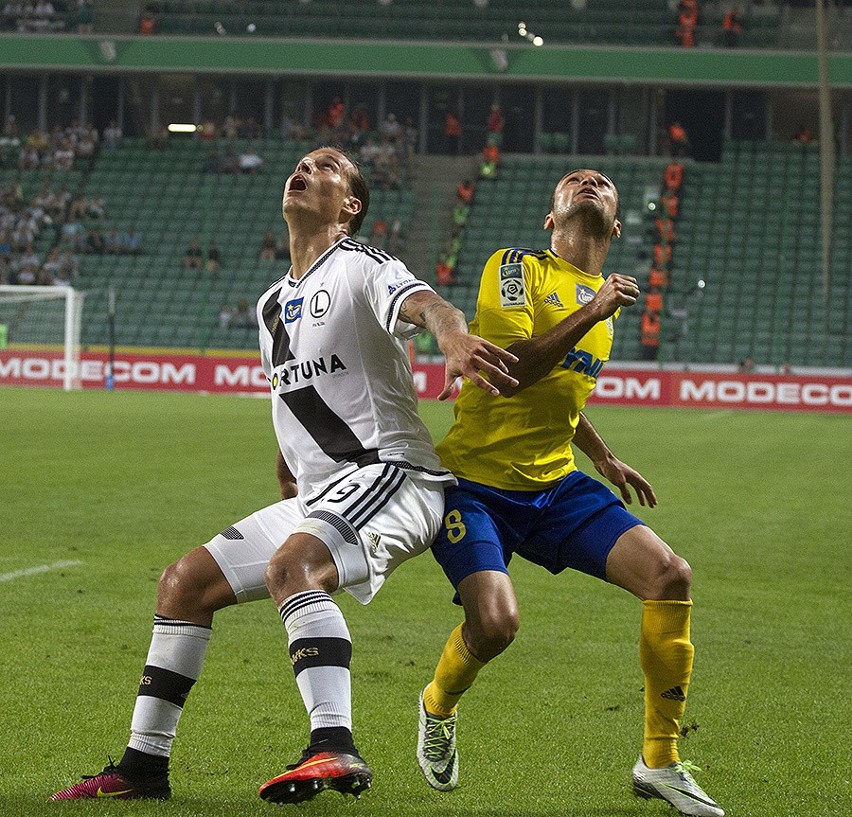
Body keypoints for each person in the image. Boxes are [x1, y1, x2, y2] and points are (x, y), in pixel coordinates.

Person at [51, 146, 518, 805]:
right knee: (183, 584)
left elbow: (426, 304)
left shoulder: (361, 265)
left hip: (394, 475)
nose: (304, 169)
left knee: (293, 568)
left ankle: (334, 745)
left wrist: (453, 335)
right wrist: (287, 468)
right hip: (322, 491)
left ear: (349, 206)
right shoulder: (272, 304)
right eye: (299, 163)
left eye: (325, 166)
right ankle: (142, 766)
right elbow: (293, 395)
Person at [415, 168, 724, 817]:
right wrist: (591, 310)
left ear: (614, 225)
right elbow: (508, 373)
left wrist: (602, 453)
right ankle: (437, 704)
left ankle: (659, 762)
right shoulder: (517, 267)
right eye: (572, 180)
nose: (587, 179)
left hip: (555, 484)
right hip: (472, 484)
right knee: (495, 625)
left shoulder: (603, 305)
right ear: (550, 220)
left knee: (670, 575)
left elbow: (559, 395)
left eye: (601, 180)